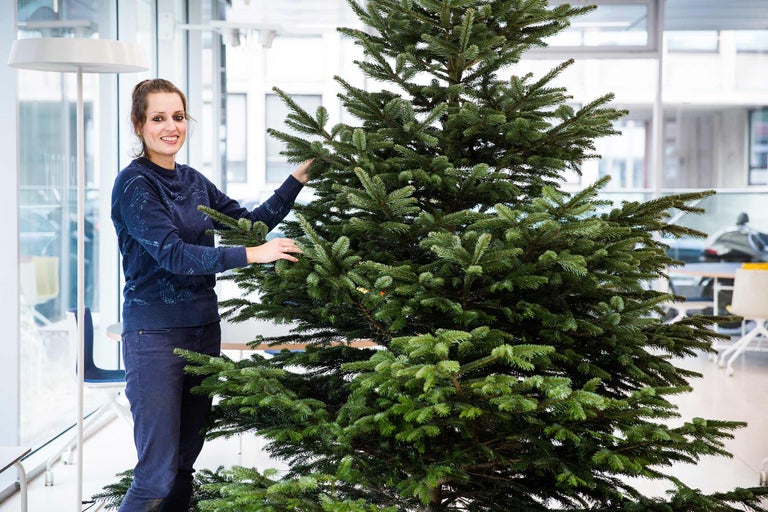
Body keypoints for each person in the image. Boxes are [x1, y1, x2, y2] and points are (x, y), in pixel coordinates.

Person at [110, 78, 310, 511]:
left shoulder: (193, 181)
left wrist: (298, 178)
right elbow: (173, 255)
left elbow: (250, 225)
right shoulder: (134, 185)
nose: (171, 127)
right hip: (155, 338)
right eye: (159, 118)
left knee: (184, 465)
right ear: (138, 124)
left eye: (178, 117)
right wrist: (254, 256)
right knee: (155, 477)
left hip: (203, 331)